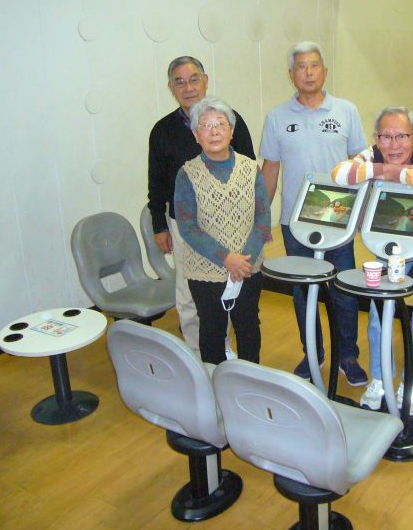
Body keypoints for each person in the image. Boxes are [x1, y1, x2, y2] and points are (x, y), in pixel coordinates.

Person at [332, 106, 413, 415]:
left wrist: (382, 171)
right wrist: (385, 169)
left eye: (402, 136)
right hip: (389, 244)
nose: (394, 144)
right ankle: (379, 379)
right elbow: (340, 174)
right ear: (376, 138)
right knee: (378, 314)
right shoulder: (371, 153)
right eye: (386, 137)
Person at [260, 41, 368, 385]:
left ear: (325, 71)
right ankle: (313, 354)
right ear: (290, 74)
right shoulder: (277, 117)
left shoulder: (346, 111)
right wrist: (262, 217)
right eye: (301, 67)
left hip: (338, 219)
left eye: (314, 65)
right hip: (295, 223)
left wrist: (361, 211)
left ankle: (348, 356)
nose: (308, 73)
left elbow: (359, 163)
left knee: (343, 291)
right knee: (303, 293)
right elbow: (270, 169)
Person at [147, 56, 255, 358]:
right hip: (186, 228)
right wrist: (159, 225)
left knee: (231, 287)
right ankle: (200, 356)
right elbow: (156, 183)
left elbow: (249, 170)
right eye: (179, 82)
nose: (188, 87)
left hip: (231, 224)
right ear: (171, 88)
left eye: (194, 79)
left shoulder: (230, 120)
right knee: (190, 295)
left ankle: (225, 349)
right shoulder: (162, 130)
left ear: (205, 81)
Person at [173, 97, 270, 364]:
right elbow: (187, 227)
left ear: (231, 131)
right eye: (205, 125)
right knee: (212, 329)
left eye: (220, 124)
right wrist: (227, 259)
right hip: (205, 270)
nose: (214, 131)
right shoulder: (186, 174)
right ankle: (215, 380)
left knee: (248, 324)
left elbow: (263, 217)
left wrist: (243, 261)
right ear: (196, 135)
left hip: (248, 266)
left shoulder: (251, 169)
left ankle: (250, 378)